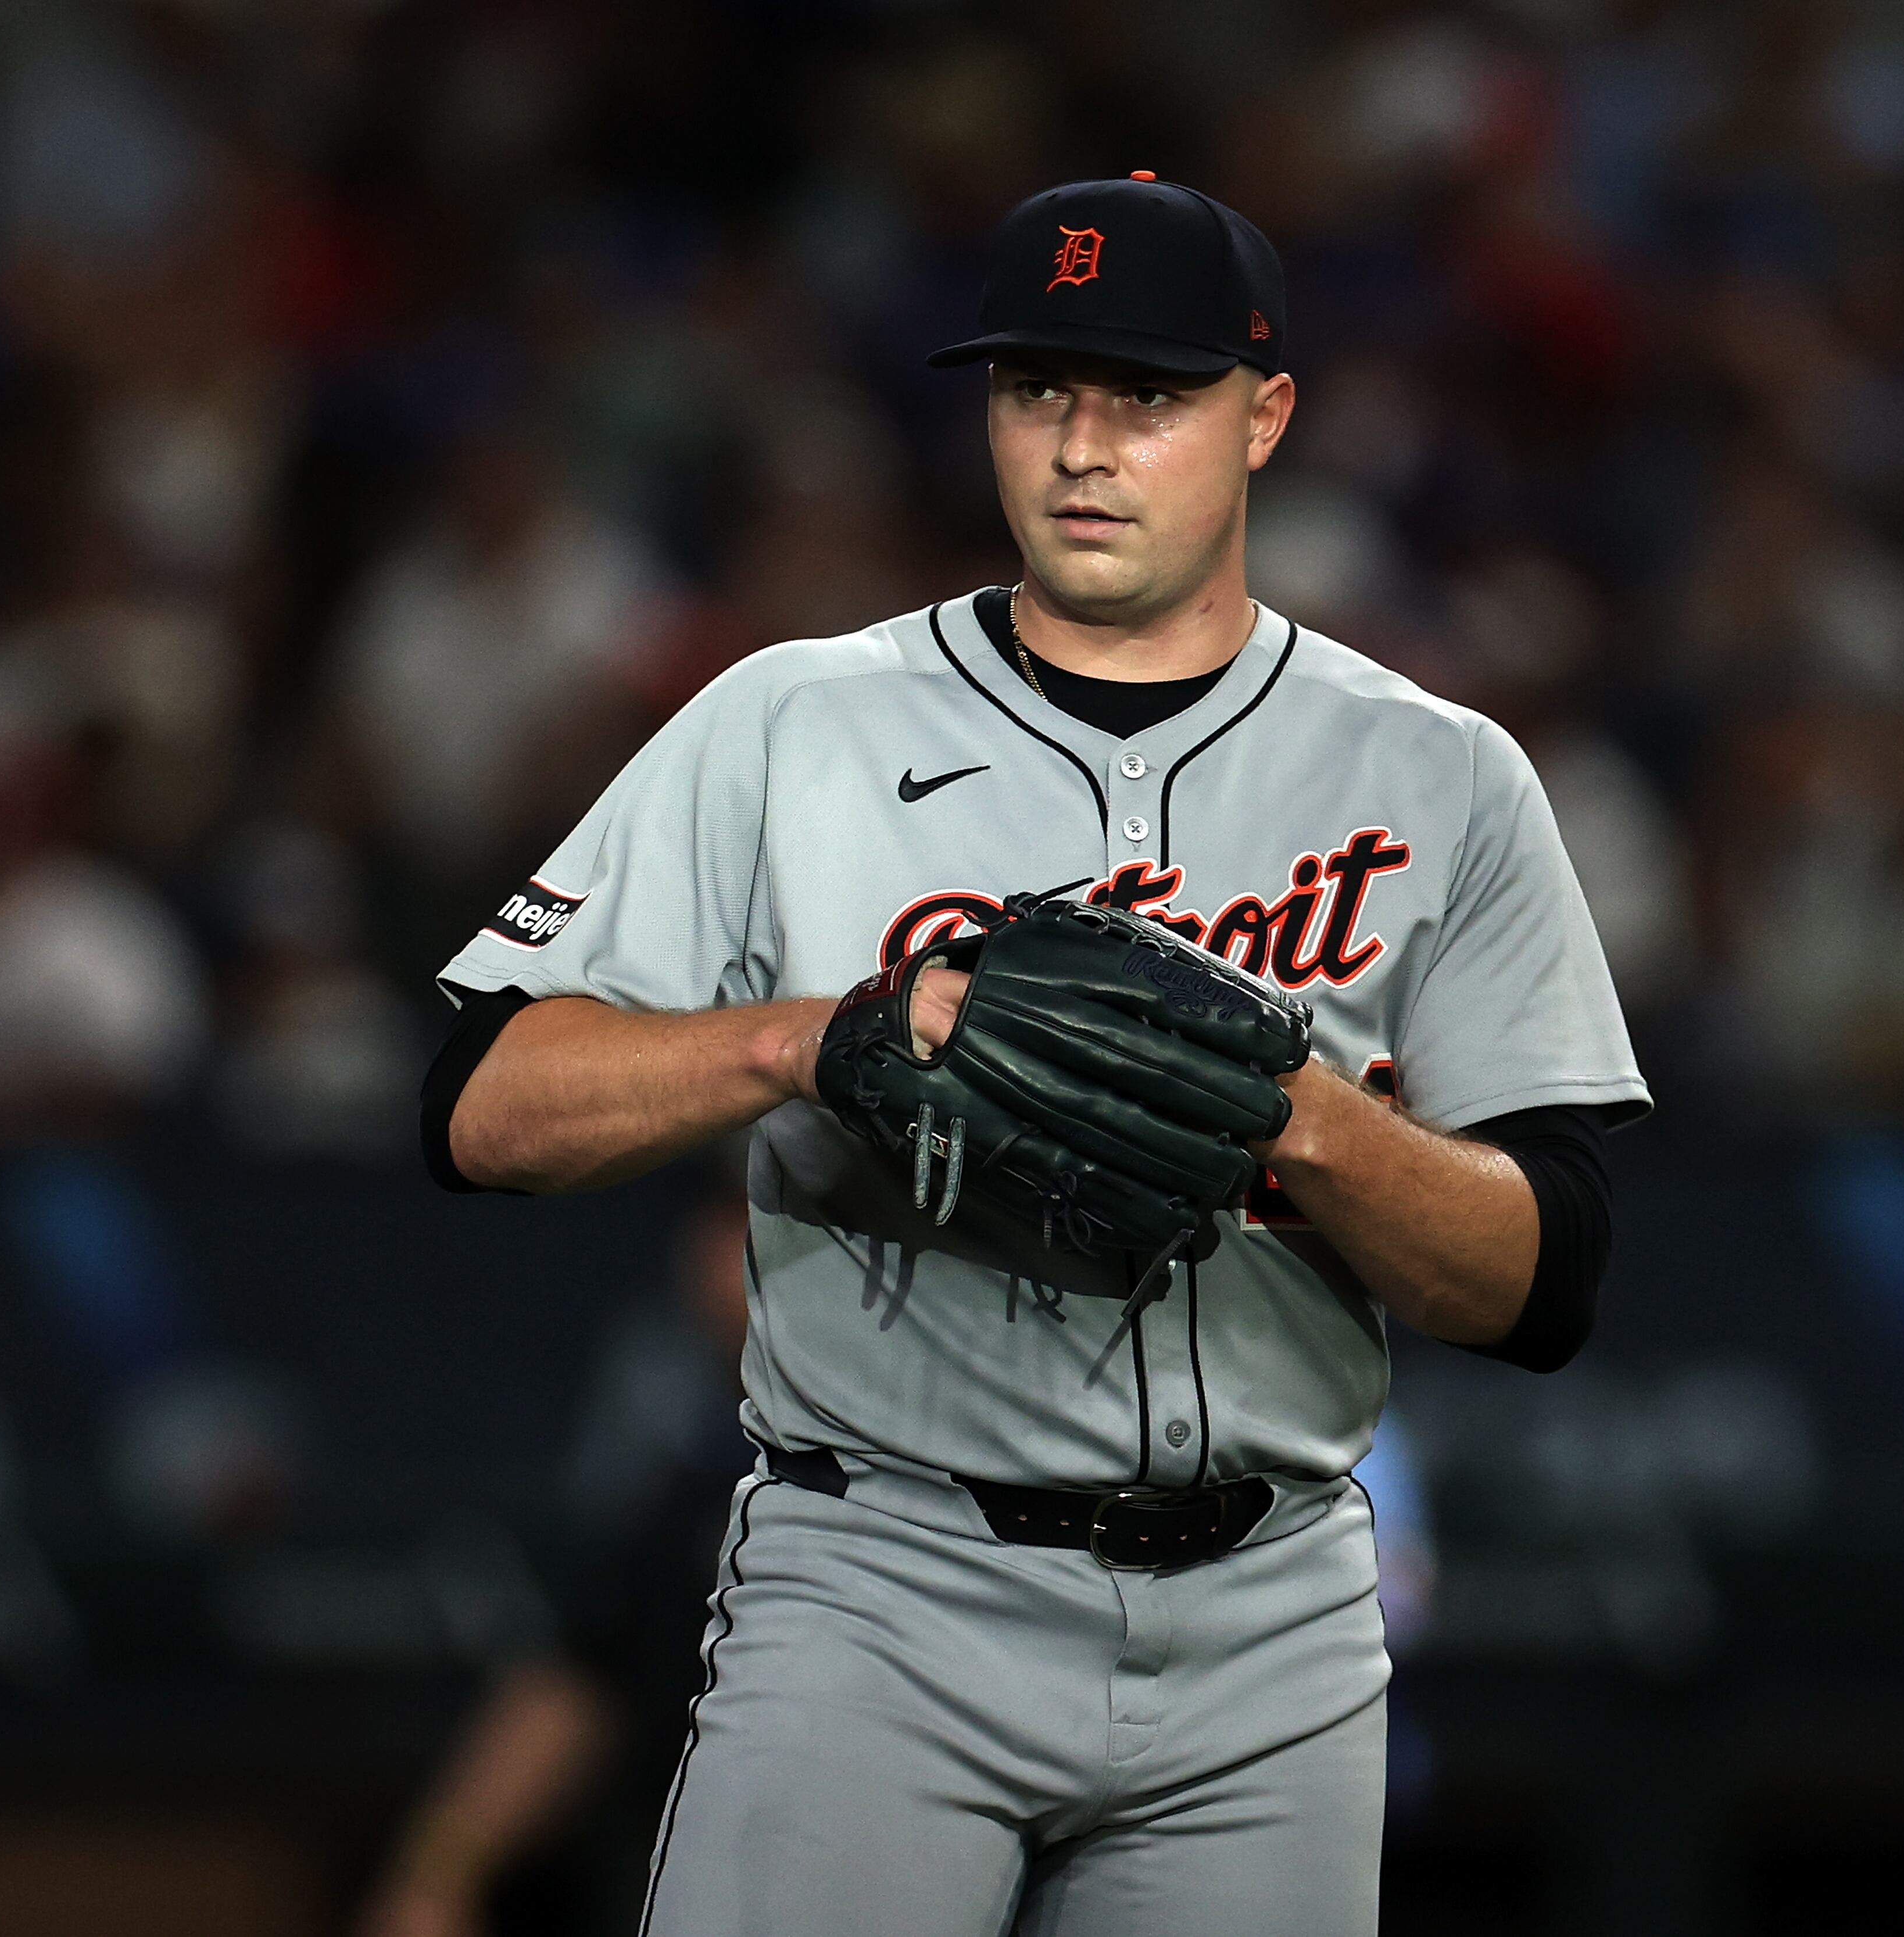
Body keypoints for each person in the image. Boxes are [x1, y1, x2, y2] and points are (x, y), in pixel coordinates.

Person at [418, 174, 1648, 1937]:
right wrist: (794, 1040)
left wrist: (1305, 1128)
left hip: (1277, 1617)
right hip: (884, 1586)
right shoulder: (796, 722)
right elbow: (473, 1101)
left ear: (1266, 415)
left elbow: (1552, 1281)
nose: (1082, 445)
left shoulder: (1440, 773)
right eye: (1034, 389)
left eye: (1147, 394)